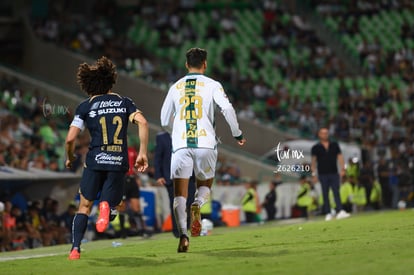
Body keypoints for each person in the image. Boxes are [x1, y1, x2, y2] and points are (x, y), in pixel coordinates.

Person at [160, 47, 246, 253]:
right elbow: (227, 108)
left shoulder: (175, 87)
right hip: (206, 144)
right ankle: (198, 203)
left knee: (179, 194)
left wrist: (177, 132)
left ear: (186, 65)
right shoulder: (213, 85)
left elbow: (164, 120)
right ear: (205, 64)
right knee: (204, 186)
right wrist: (237, 133)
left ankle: (183, 235)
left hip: (181, 145)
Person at [65, 56, 149, 260]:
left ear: (88, 85)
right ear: (111, 80)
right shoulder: (124, 102)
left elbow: (70, 139)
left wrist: (69, 157)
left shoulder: (85, 107)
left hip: (94, 160)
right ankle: (107, 206)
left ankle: (75, 249)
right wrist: (142, 153)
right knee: (114, 201)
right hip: (117, 159)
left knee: (84, 206)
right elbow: (143, 123)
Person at [154, 131, 195, 238]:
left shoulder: (188, 134)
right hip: (171, 177)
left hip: (189, 175)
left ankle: (188, 228)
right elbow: (158, 157)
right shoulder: (162, 137)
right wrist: (159, 175)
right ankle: (178, 231)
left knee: (189, 203)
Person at [311, 127, 350, 221]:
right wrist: (313, 174)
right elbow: (313, 162)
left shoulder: (334, 145)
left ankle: (340, 211)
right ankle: (328, 213)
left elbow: (340, 157)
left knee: (336, 192)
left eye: (326, 133)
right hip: (322, 174)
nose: (325, 135)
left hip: (334, 173)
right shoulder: (316, 147)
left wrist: (343, 169)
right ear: (319, 135)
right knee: (325, 193)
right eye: (323, 133)